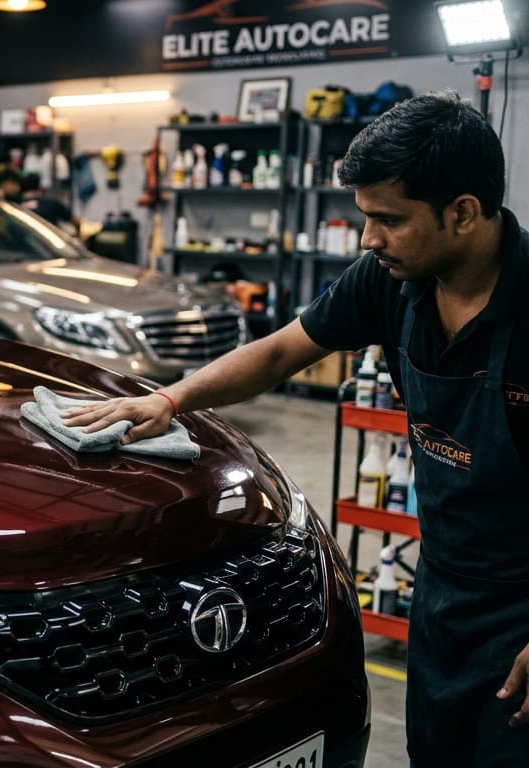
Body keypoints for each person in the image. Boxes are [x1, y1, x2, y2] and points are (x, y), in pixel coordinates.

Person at [60, 91, 529, 766]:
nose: (368, 239)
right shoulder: (388, 281)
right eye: (364, 218)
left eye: (388, 220)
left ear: (462, 213)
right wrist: (172, 399)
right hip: (445, 590)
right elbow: (283, 350)